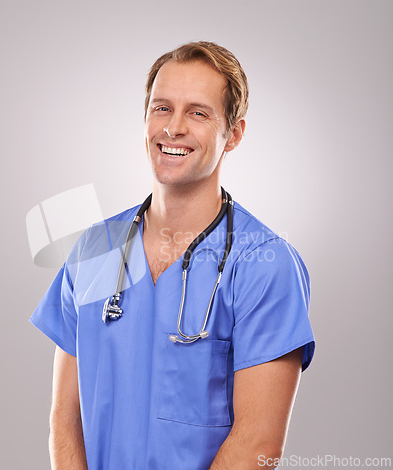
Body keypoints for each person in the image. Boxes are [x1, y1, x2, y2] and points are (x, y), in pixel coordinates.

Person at [31, 41, 315, 470]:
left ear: (233, 134)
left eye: (198, 113)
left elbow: (258, 444)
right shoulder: (95, 250)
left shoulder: (265, 264)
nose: (173, 128)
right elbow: (65, 419)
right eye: (162, 108)